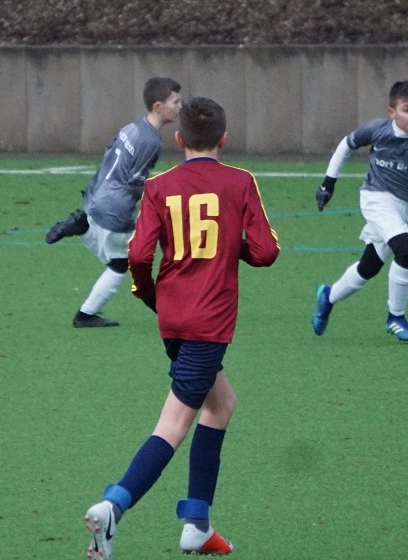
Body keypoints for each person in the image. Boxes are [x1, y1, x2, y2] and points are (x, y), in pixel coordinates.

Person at [83, 96, 280, 558]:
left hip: (172, 318)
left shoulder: (158, 186)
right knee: (173, 424)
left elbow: (138, 254)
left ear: (178, 139)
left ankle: (197, 523)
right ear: (224, 139)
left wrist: (147, 293)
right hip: (209, 322)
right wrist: (233, 245)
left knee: (221, 404)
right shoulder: (240, 182)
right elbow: (266, 251)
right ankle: (113, 506)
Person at [312, 80, 408, 342]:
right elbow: (346, 145)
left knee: (369, 267)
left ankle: (328, 296)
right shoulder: (378, 130)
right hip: (375, 199)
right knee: (405, 252)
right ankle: (396, 317)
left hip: (404, 208)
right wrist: (328, 183)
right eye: (407, 109)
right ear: (392, 112)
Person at [45, 77, 182, 328]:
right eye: (175, 102)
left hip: (96, 193)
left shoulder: (132, 128)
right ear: (158, 106)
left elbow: (109, 151)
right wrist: (158, 200)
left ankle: (83, 228)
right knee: (122, 264)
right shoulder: (151, 141)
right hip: (115, 208)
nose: (179, 107)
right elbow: (134, 183)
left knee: (116, 257)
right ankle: (87, 316)